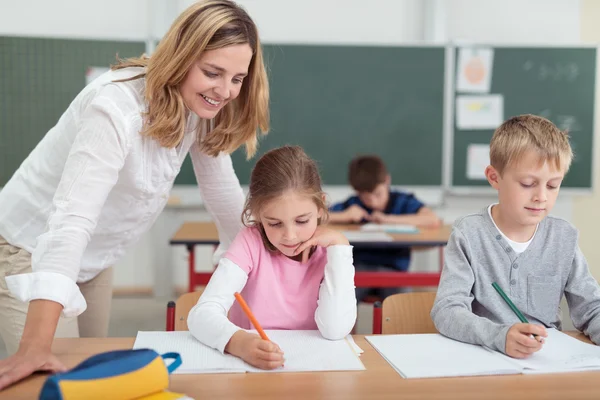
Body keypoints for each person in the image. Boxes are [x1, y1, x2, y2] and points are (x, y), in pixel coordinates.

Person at [0, 0, 269, 389]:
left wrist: (266, 264)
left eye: (237, 79)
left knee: (98, 377)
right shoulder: (114, 108)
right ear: (181, 56)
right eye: (213, 72)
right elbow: (71, 219)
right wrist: (34, 346)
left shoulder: (200, 106)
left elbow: (224, 195)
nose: (225, 91)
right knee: (53, 381)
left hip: (94, 257)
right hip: (31, 249)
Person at [431, 114, 600, 359]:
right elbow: (447, 311)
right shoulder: (469, 234)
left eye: (553, 185)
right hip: (482, 359)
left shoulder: (563, 237)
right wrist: (498, 335)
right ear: (494, 177)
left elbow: (591, 308)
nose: (541, 196)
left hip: (545, 363)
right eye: (528, 183)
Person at [187, 146, 357, 370]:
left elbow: (335, 330)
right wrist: (239, 343)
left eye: (302, 221)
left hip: (313, 370)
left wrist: (340, 247)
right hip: (253, 371)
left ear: (320, 206)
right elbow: (201, 315)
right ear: (257, 214)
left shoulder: (331, 251)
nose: (290, 236)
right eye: (274, 223)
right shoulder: (250, 242)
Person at [329, 155, 441, 301]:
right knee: (342, 299)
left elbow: (432, 219)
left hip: (394, 270)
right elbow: (319, 217)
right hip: (360, 270)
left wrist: (388, 220)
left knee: (401, 306)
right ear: (358, 192)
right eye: (366, 197)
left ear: (387, 181)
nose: (374, 202)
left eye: (378, 194)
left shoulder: (402, 201)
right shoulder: (353, 204)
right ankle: (348, 324)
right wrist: (344, 215)